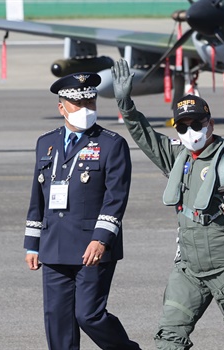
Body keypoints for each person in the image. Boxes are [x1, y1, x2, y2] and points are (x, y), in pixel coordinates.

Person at [111, 59, 224, 350]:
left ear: (210, 124)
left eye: (196, 124)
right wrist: (126, 105)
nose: (190, 132)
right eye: (182, 126)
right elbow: (146, 138)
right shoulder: (178, 158)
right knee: (168, 339)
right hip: (188, 267)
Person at [23, 72, 141, 350]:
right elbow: (37, 197)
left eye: (91, 102)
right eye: (79, 104)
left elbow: (116, 197)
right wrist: (32, 244)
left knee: (88, 314)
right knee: (57, 320)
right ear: (61, 107)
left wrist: (101, 239)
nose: (86, 109)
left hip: (92, 246)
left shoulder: (111, 144)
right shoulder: (46, 143)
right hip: (54, 245)